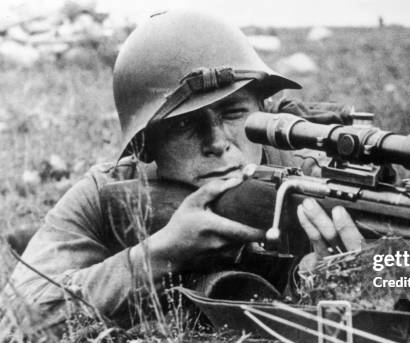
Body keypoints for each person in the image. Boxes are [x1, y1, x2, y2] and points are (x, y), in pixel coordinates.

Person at [4, 9, 364, 325]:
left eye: (234, 113)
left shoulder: (316, 180)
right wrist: (159, 254)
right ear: (144, 145)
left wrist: (326, 282)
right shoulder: (110, 193)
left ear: (265, 111)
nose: (217, 141)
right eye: (183, 124)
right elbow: (14, 325)